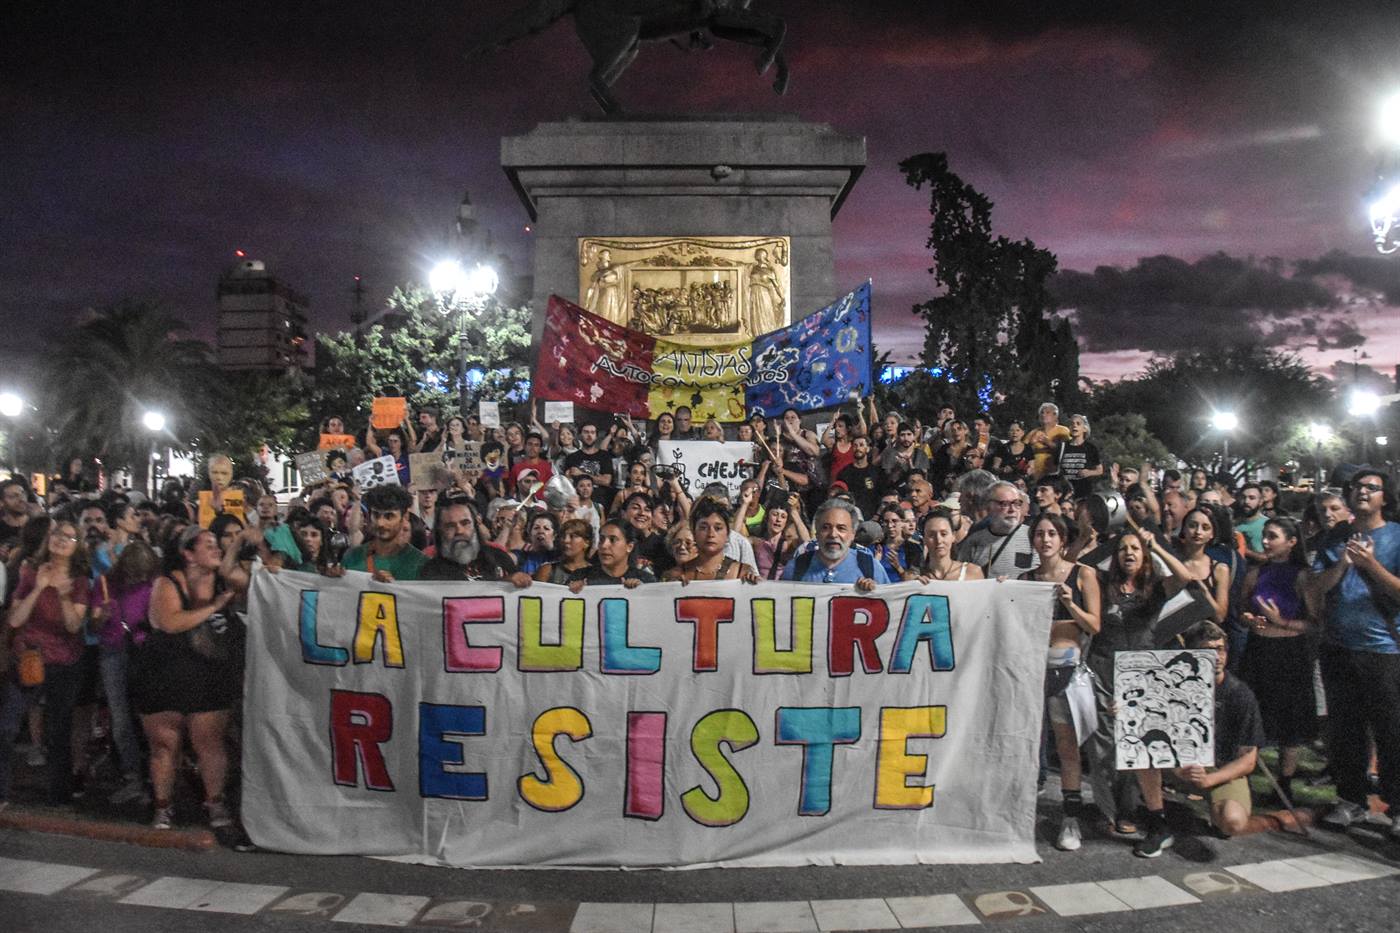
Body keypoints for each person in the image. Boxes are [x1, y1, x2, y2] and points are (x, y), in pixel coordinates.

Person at [138, 526, 249, 836]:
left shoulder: (226, 579)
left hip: (210, 672)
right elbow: (170, 621)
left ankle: (215, 803)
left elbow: (247, 582)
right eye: (208, 545)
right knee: (165, 744)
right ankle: (163, 806)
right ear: (187, 553)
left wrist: (237, 542)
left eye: (218, 544)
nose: (216, 549)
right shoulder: (168, 582)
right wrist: (214, 607)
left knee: (210, 743)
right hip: (165, 672)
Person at [1308, 469, 1400, 835]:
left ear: (1385, 498)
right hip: (1338, 647)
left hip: (1384, 650)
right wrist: (1343, 563)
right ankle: (1351, 800)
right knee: (1344, 730)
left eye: (1371, 488)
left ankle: (1396, 806)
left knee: (1391, 732)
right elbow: (1315, 588)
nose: (1362, 492)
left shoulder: (1395, 536)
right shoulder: (1335, 538)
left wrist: (1370, 565)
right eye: (1357, 487)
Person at [1141, 622, 1264, 853]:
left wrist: (1210, 779)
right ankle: (1155, 817)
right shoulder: (1171, 685)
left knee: (1232, 822)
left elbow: (1248, 760)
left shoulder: (1240, 694)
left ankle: (1212, 810)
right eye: (1208, 650)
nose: (1216, 657)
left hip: (1219, 768)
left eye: (1220, 649)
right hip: (1180, 763)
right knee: (1138, 752)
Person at [1020, 513, 1100, 851]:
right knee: (1023, 744)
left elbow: (1095, 625)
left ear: (1063, 539)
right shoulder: (1025, 579)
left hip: (1067, 671)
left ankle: (1070, 819)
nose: (1045, 539)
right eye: (1039, 533)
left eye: (1052, 533)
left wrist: (1069, 603)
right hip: (1030, 671)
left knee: (1067, 748)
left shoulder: (1083, 574)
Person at [0, 519, 92, 807]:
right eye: (57, 534)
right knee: (7, 726)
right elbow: (15, 619)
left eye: (69, 537)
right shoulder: (30, 571)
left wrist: (63, 595)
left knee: (58, 730)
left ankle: (58, 795)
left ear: (77, 547)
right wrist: (38, 588)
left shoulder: (78, 580)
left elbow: (74, 626)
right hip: (29, 657)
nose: (61, 540)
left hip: (64, 663)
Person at [1238, 516, 1316, 805]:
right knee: (1252, 713)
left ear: (1291, 541)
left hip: (1289, 653)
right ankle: (1242, 775)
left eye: (1273, 536)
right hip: (1259, 650)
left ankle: (1285, 781)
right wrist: (1248, 619)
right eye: (1265, 536)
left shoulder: (1303, 575)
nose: (1267, 542)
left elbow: (1314, 622)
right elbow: (1242, 608)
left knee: (1289, 722)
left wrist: (1280, 621)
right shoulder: (1256, 572)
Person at [780, 499, 889, 590]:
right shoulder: (795, 568)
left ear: (852, 535)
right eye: (825, 528)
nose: (833, 534)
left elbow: (892, 606)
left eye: (841, 528)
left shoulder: (871, 568)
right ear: (816, 533)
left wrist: (876, 593)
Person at [420, 498, 530, 583]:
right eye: (450, 526)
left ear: (475, 526)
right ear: (440, 531)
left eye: (465, 523)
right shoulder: (431, 571)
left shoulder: (499, 558)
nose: (459, 531)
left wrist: (509, 583)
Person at [338, 485, 427, 583]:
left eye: (389, 516)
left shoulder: (420, 563)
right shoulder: (352, 557)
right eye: (376, 515)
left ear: (405, 517)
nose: (380, 523)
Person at [663, 498, 759, 583]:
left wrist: (756, 585)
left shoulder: (742, 572)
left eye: (718, 528)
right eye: (703, 528)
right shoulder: (677, 574)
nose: (710, 534)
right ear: (694, 532)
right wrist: (672, 587)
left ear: (728, 533)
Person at [956, 481, 1037, 577]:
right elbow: (961, 577)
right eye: (1004, 504)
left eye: (1016, 503)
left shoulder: (1034, 536)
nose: (1012, 509)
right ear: (988, 507)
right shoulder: (974, 542)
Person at [576, 520, 656, 589]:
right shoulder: (580, 577)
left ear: (629, 547)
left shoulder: (645, 580)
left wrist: (643, 591)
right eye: (601, 539)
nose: (604, 545)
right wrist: (573, 593)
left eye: (612, 540)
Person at [747, 492, 809, 579]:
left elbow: (807, 542)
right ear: (767, 517)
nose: (778, 519)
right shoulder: (756, 542)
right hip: (759, 589)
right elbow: (735, 540)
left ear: (786, 522)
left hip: (781, 589)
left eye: (783, 517)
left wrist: (794, 512)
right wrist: (744, 504)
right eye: (775, 515)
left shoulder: (789, 544)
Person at [914, 509, 984, 582]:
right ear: (924, 539)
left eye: (943, 534)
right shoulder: (916, 577)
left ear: (953, 536)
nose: (939, 540)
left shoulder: (972, 573)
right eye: (931, 535)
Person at [836, 435, 886, 522]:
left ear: (868, 449)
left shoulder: (877, 472)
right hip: (851, 519)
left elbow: (882, 496)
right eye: (855, 445)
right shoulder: (844, 473)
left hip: (873, 519)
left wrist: (877, 515)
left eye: (861, 445)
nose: (858, 448)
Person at [1057, 414, 1103, 501]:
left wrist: (1089, 472)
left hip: (1083, 490)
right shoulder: (1063, 446)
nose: (1075, 426)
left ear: (1084, 428)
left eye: (1078, 424)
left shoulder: (1090, 448)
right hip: (1065, 490)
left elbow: (1100, 470)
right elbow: (1055, 468)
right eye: (1072, 423)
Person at [534, 518, 593, 585]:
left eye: (573, 536)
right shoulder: (547, 570)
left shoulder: (595, 573)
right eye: (563, 536)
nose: (566, 540)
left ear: (586, 542)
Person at [1025, 402, 1071, 481]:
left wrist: (1048, 442)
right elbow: (1022, 449)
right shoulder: (1033, 432)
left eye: (1047, 413)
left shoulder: (1063, 431)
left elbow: (1067, 450)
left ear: (1055, 415)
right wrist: (1031, 444)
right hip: (1034, 475)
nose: (1043, 415)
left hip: (1054, 474)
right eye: (1042, 413)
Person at [878, 422, 931, 490]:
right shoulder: (889, 454)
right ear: (898, 436)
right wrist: (897, 469)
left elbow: (925, 481)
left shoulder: (921, 454)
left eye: (909, 434)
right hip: (896, 492)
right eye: (902, 435)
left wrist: (912, 468)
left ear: (914, 436)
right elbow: (887, 482)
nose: (906, 438)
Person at [514, 511, 559, 576]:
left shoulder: (560, 558)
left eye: (546, 528)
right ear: (529, 533)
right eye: (536, 528)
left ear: (554, 535)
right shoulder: (519, 557)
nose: (541, 531)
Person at [1234, 483, 1269, 562]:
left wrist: (1244, 550)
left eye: (1252, 498)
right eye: (1243, 497)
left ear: (1260, 501)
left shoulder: (1268, 525)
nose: (1246, 501)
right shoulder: (1233, 525)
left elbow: (1270, 557)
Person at [0, 478, 31, 562]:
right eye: (13, 496)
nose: (21, 499)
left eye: (22, 494)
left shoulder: (39, 524)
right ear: (1, 502)